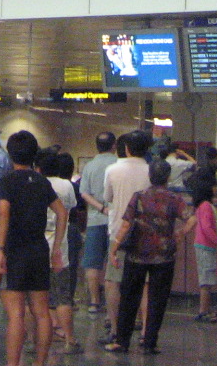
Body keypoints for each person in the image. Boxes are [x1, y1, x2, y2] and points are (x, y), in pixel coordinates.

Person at [106, 157, 192, 355]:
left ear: (150, 176)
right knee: (157, 299)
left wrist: (114, 248)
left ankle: (122, 341)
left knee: (129, 297)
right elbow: (192, 218)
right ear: (168, 177)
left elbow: (126, 224)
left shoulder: (139, 196)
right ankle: (150, 342)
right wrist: (180, 233)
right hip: (164, 256)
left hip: (137, 254)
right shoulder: (174, 198)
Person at [0, 130, 66, 366]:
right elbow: (62, 212)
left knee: (16, 314)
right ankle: (40, 363)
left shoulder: (7, 181)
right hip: (39, 250)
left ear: (11, 154)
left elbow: (4, 211)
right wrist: (56, 248)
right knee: (42, 311)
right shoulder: (42, 181)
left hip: (15, 250)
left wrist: (0, 248)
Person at [101, 130, 151, 339]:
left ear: (127, 148)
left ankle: (115, 329)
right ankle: (146, 331)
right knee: (145, 284)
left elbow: (108, 197)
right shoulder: (151, 171)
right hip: (147, 234)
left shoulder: (112, 170)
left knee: (113, 282)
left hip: (118, 232)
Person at [38, 146, 82, 354]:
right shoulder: (66, 185)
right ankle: (70, 340)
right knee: (63, 296)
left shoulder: (36, 184)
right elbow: (71, 209)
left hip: (37, 247)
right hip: (59, 248)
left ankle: (34, 340)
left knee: (37, 298)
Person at [78, 132, 118, 314]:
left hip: (95, 219)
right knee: (113, 262)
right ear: (114, 145)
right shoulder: (118, 164)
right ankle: (113, 305)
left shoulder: (89, 166)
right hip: (116, 220)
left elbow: (84, 193)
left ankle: (94, 302)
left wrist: (100, 208)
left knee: (92, 263)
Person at [189, 174, 217, 323]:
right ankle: (203, 310)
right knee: (206, 280)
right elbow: (207, 227)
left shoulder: (203, 206)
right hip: (206, 247)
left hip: (205, 247)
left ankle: (206, 309)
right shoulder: (206, 207)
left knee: (207, 278)